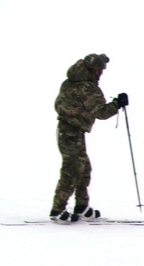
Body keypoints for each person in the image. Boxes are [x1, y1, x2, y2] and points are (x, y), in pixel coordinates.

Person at [50, 53, 129, 222]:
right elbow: (101, 112)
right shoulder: (87, 87)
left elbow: (59, 104)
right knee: (72, 170)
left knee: (83, 168)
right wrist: (118, 104)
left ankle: (81, 206)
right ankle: (57, 209)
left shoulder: (70, 82)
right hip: (71, 132)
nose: (101, 73)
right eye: (100, 69)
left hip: (69, 130)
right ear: (93, 70)